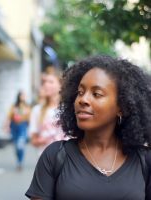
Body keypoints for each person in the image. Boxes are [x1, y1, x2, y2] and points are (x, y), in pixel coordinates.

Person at [25, 55, 151, 200]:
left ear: (122, 107)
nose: (83, 100)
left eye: (96, 94)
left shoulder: (144, 160)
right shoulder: (55, 156)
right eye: (80, 92)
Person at [29, 67, 65, 155]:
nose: (46, 85)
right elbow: (33, 140)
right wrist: (42, 140)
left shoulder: (68, 109)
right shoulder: (37, 110)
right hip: (45, 161)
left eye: (51, 82)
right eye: (44, 82)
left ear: (60, 85)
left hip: (67, 161)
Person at [7, 91, 31, 170]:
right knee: (16, 146)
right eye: (22, 96)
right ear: (19, 96)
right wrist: (6, 126)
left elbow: (29, 118)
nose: (23, 97)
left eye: (24, 96)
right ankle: (18, 160)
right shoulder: (14, 106)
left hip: (22, 126)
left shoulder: (27, 106)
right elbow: (9, 116)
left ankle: (20, 162)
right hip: (14, 126)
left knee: (20, 145)